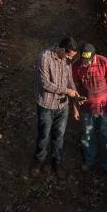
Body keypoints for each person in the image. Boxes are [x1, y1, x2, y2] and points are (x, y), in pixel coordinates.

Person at [31, 36, 83, 179]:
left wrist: (75, 95)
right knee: (44, 136)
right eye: (68, 55)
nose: (69, 59)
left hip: (62, 106)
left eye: (71, 57)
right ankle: (39, 161)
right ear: (61, 49)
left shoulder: (67, 59)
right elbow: (45, 84)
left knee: (59, 136)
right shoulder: (44, 57)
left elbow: (69, 79)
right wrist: (67, 91)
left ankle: (56, 161)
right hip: (47, 105)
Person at [72, 43, 107, 177]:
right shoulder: (76, 66)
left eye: (89, 60)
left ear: (94, 56)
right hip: (87, 109)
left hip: (104, 108)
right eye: (84, 60)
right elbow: (75, 88)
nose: (86, 63)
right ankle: (89, 161)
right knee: (88, 136)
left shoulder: (103, 62)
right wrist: (75, 108)